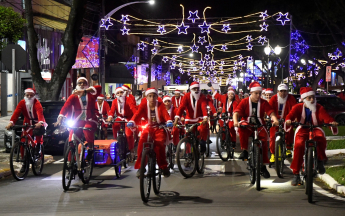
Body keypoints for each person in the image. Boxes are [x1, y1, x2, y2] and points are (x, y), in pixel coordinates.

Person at [285, 87, 338, 186]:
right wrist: (288, 120)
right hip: (302, 128)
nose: (312, 100)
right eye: (309, 98)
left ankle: (320, 160)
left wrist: (331, 122)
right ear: (304, 99)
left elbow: (326, 117)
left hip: (316, 128)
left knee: (320, 138)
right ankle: (296, 174)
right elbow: (290, 115)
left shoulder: (319, 107)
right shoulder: (298, 107)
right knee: (299, 145)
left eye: (313, 97)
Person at [233, 81, 279, 178]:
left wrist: (275, 120)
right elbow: (236, 112)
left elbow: (271, 112)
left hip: (259, 125)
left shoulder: (264, 102)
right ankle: (244, 150)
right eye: (256, 93)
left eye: (259, 93)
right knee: (242, 128)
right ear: (251, 93)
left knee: (264, 142)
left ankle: (263, 166)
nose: (258, 95)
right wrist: (236, 122)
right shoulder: (244, 101)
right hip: (247, 123)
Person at [127, 88, 172, 178]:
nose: (152, 98)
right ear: (146, 97)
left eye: (154, 96)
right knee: (141, 144)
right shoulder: (143, 103)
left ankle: (163, 167)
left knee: (159, 146)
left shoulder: (160, 104)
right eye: (149, 96)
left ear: (157, 96)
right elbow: (137, 114)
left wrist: (169, 121)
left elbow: (165, 114)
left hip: (159, 128)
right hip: (148, 128)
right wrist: (132, 121)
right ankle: (141, 167)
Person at [54, 77, 101, 162]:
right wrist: (60, 117)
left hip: (89, 119)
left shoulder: (91, 94)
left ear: (87, 84)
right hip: (77, 121)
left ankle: (90, 149)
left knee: (87, 129)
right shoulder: (73, 96)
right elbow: (66, 106)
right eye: (80, 83)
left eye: (84, 83)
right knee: (71, 140)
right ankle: (71, 162)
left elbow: (99, 88)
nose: (82, 85)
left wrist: (85, 91)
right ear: (77, 84)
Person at [5, 88, 47, 172]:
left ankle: (38, 148)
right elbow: (16, 113)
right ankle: (24, 161)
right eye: (27, 95)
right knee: (23, 140)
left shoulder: (37, 103)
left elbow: (40, 113)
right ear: (24, 95)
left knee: (38, 135)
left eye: (31, 95)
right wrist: (11, 123)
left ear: (34, 96)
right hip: (27, 122)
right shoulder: (22, 103)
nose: (29, 97)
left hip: (37, 122)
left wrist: (40, 123)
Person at [173, 82, 214, 153]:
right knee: (188, 135)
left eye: (197, 88)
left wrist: (205, 118)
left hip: (200, 119)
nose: (196, 90)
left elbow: (204, 107)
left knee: (202, 128)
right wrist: (176, 119)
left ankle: (203, 142)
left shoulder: (202, 97)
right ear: (191, 89)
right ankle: (188, 153)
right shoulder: (186, 96)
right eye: (194, 88)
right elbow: (181, 107)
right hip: (189, 119)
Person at [107, 87, 138, 160]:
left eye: (121, 92)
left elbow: (133, 109)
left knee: (128, 134)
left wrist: (135, 118)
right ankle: (116, 140)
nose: (120, 94)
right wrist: (110, 117)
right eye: (118, 93)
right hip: (119, 117)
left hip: (128, 118)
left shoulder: (128, 99)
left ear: (123, 93)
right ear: (115, 94)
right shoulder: (114, 101)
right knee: (114, 125)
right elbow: (112, 111)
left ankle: (131, 150)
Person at [268, 84, 297, 162]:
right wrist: (271, 118)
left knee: (289, 131)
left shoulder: (291, 98)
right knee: (272, 136)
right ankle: (273, 154)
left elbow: (294, 109)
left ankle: (288, 148)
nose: (283, 93)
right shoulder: (274, 98)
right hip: (275, 120)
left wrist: (293, 119)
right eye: (281, 91)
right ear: (278, 92)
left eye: (285, 91)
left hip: (287, 120)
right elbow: (269, 109)